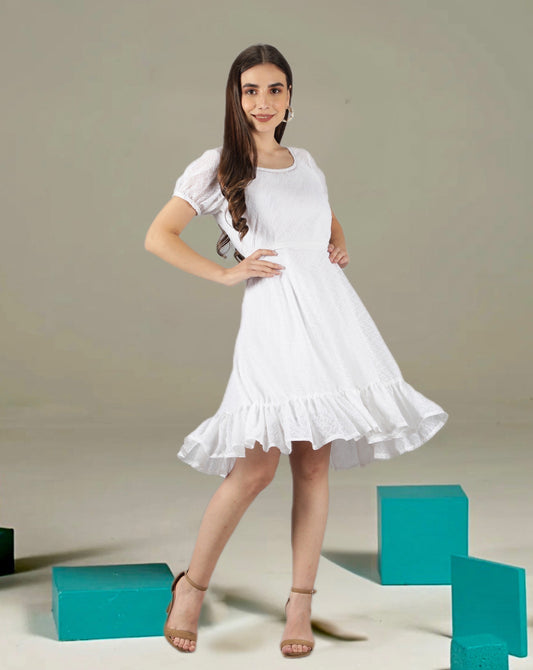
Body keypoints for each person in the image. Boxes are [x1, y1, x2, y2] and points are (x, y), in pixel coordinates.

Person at [144, 43, 448, 658]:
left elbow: (324, 219)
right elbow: (159, 235)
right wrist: (227, 273)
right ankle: (191, 587)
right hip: (276, 319)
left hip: (332, 318)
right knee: (255, 468)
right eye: (250, 90)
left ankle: (301, 603)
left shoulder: (304, 162)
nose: (263, 101)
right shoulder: (217, 165)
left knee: (313, 465)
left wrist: (336, 246)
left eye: (274, 89)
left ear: (290, 97)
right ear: (236, 98)